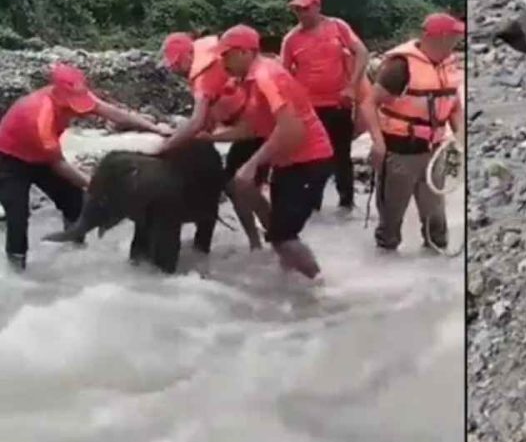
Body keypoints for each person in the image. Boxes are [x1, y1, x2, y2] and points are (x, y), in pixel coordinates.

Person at [0, 63, 172, 270]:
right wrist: (97, 185)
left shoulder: (76, 94)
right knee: (18, 215)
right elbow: (58, 163)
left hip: (42, 157)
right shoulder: (39, 115)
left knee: (74, 201)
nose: (77, 109)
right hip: (9, 160)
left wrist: (155, 128)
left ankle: (73, 253)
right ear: (60, 95)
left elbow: (113, 113)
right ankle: (16, 271)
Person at [200, 24, 334, 280]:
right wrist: (212, 137)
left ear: (245, 52)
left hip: (309, 161)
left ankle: (319, 287)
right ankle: (290, 284)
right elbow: (255, 128)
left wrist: (252, 164)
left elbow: (291, 129)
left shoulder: (267, 76)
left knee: (282, 236)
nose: (222, 60)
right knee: (277, 231)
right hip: (287, 163)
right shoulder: (249, 81)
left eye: (226, 54)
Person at [363, 13, 466, 251]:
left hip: (434, 153)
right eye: (454, 36)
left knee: (437, 223)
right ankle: (386, 266)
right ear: (438, 37)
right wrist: (378, 144)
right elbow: (370, 103)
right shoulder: (399, 67)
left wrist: (462, 138)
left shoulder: (449, 65)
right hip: (400, 153)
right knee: (391, 223)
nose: (458, 40)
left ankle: (434, 267)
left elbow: (453, 105)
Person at [158, 32, 269, 249]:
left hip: (257, 128)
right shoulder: (206, 56)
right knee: (237, 186)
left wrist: (165, 147)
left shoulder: (203, 78)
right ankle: (263, 239)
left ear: (188, 57)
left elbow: (198, 121)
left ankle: (273, 237)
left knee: (239, 186)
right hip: (251, 122)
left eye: (176, 64)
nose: (175, 71)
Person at [281, 0, 370, 213]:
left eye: (304, 9)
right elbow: (283, 75)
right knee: (312, 156)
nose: (300, 14)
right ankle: (312, 204)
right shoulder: (291, 39)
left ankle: (346, 202)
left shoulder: (337, 27)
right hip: (308, 108)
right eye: (296, 10)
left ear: (317, 7)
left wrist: (352, 87)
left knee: (341, 155)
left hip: (338, 102)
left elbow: (362, 52)